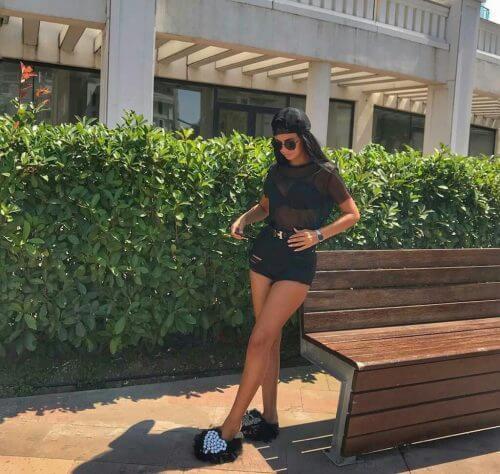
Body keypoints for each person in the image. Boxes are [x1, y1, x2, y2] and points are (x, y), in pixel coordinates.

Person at [193, 107, 361, 464]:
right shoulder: (275, 170)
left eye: (290, 143)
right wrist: (243, 219)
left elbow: (352, 214)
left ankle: (230, 427)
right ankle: (269, 418)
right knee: (267, 339)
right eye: (278, 143)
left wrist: (318, 235)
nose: (283, 149)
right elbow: (265, 207)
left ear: (305, 139)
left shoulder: (325, 173)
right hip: (265, 254)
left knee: (260, 339)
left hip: (297, 262)